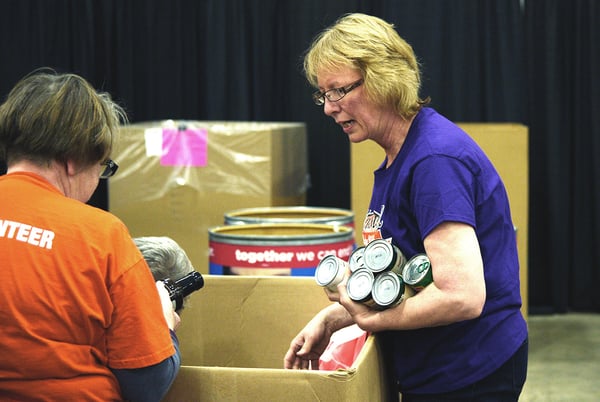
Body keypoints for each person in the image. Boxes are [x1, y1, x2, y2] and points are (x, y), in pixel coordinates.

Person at [284, 13, 528, 401]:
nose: (329, 108)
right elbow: (406, 278)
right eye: (323, 94)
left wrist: (372, 319)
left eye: (338, 91)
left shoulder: (434, 161)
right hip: (436, 368)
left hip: (468, 372)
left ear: (383, 80)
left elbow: (461, 295)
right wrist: (333, 319)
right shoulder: (400, 156)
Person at [0, 69, 181, 401]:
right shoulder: (100, 235)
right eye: (102, 166)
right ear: (73, 160)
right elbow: (147, 383)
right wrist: (164, 326)